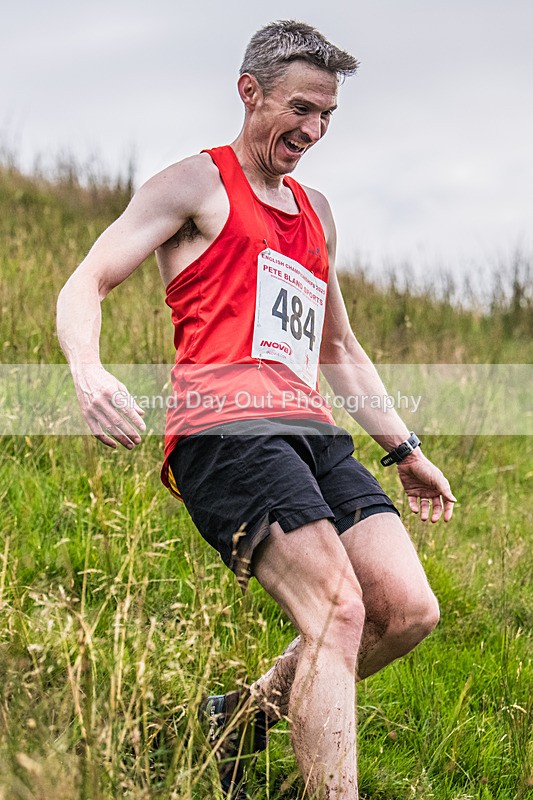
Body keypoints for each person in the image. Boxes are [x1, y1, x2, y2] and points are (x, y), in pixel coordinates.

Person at [57, 20, 456, 800]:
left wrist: (404, 449)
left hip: (313, 434)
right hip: (225, 432)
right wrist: (87, 371)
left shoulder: (316, 214)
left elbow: (337, 346)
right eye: (300, 108)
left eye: (327, 116)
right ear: (250, 93)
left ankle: (233, 720)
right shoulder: (194, 184)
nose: (312, 130)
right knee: (337, 613)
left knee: (405, 611)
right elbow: (87, 281)